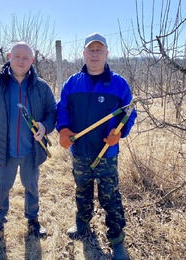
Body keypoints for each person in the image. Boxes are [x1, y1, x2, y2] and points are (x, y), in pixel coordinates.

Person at [56, 32, 136, 260]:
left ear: (106, 54)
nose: (94, 54)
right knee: (82, 190)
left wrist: (119, 132)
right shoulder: (72, 83)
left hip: (106, 153)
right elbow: (62, 109)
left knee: (110, 196)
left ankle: (117, 240)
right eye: (90, 50)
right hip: (80, 151)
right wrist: (63, 129)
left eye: (99, 50)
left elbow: (130, 112)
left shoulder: (119, 84)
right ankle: (82, 224)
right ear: (83, 54)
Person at [0, 42, 57, 249]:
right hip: (3, 151)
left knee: (32, 187)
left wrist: (45, 127)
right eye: (17, 56)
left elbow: (52, 113)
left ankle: (33, 221)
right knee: (2, 189)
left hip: (31, 152)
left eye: (26, 58)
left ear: (32, 60)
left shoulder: (42, 87)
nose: (21, 61)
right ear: (9, 56)